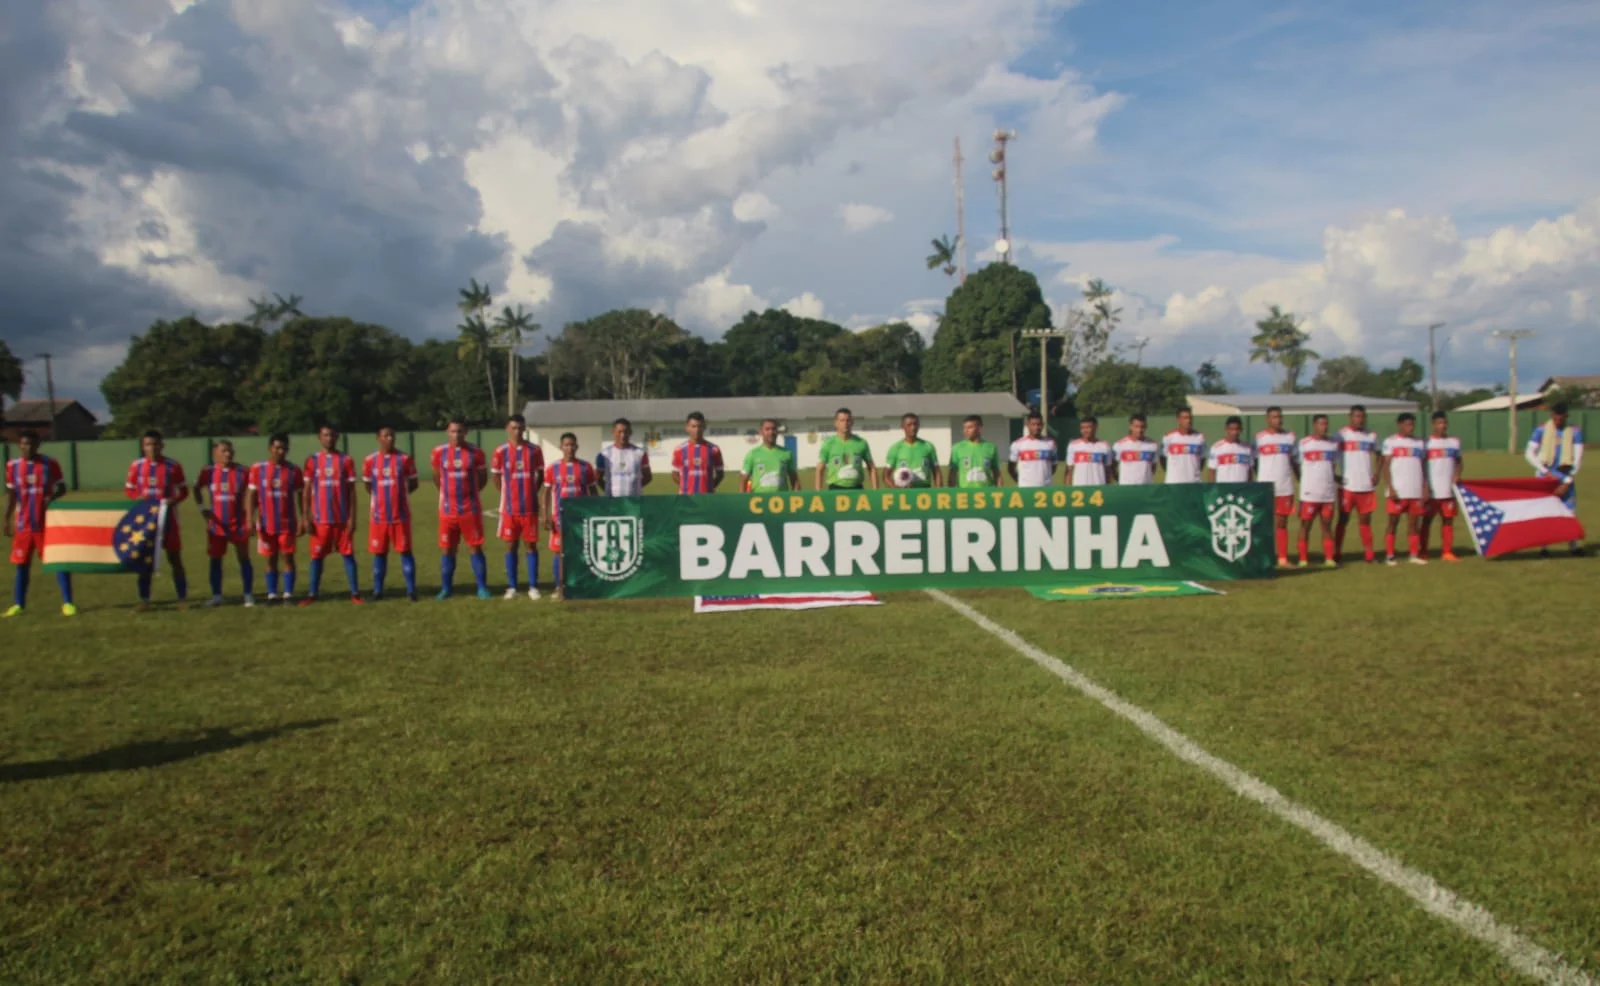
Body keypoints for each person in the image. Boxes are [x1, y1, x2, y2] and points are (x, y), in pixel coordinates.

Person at [4, 430, 73, 617]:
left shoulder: (49, 464)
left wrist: (51, 497)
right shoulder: (12, 466)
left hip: (46, 523)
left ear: (38, 445)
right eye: (25, 443)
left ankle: (68, 603)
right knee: (22, 564)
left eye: (32, 444)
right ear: (19, 445)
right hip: (23, 525)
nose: (28, 447)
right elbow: (11, 494)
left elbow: (62, 487)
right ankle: (19, 604)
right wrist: (6, 518)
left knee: (58, 562)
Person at [125, 429, 189, 608]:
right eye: (147, 444)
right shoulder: (136, 466)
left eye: (155, 444)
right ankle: (144, 600)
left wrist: (172, 500)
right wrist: (136, 497)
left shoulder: (172, 466)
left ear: (162, 445)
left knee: (175, 559)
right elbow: (129, 490)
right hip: (145, 522)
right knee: (145, 561)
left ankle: (182, 599)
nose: (152, 448)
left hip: (168, 520)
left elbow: (184, 491)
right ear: (142, 447)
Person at [301, 424, 363, 605]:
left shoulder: (346, 460)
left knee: (348, 555)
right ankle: (312, 594)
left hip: (342, 519)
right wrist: (305, 517)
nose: (329, 438)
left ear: (337, 438)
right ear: (319, 438)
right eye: (325, 435)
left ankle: (355, 593)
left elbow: (352, 491)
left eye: (332, 435)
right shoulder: (312, 460)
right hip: (320, 520)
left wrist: (352, 517)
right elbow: (306, 491)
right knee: (316, 557)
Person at [432, 418, 492, 599]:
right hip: (447, 511)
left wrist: (469, 495)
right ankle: (446, 588)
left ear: (466, 432)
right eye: (453, 431)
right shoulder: (438, 452)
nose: (456, 435)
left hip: (470, 510)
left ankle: (481, 588)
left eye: (460, 431)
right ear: (447, 432)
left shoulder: (476, 453)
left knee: (475, 548)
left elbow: (482, 478)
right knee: (447, 549)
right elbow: (437, 478)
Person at [194, 439, 254, 607]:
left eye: (230, 451)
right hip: (217, 525)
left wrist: (250, 516)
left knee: (244, 558)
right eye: (224, 451)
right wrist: (203, 509)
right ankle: (217, 595)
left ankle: (248, 595)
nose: (228, 454)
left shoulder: (243, 471)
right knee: (215, 559)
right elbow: (197, 488)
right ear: (215, 454)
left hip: (238, 523)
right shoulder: (208, 472)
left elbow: (252, 493)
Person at [492, 414, 545, 600]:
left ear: (525, 429)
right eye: (514, 428)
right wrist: (507, 495)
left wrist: (532, 492)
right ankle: (512, 587)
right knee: (510, 546)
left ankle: (533, 586)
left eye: (520, 428)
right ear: (507, 428)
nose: (517, 431)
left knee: (531, 545)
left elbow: (540, 475)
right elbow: (496, 477)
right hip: (509, 509)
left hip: (529, 507)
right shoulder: (501, 451)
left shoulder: (534, 450)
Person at [364, 425, 419, 602]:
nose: (389, 439)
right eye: (385, 436)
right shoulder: (370, 461)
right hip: (378, 517)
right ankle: (377, 591)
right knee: (379, 554)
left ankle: (411, 591)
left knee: (406, 552)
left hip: (400, 517)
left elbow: (413, 483)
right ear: (378, 438)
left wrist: (399, 496)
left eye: (392, 436)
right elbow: (367, 485)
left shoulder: (404, 459)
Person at [542, 432, 597, 601]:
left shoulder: (586, 468)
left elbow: (593, 492)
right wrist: (545, 514)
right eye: (566, 445)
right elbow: (545, 493)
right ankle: (559, 586)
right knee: (559, 553)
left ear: (577, 447)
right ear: (561, 447)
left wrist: (594, 512)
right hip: (559, 518)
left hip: (580, 518)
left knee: (581, 552)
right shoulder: (553, 468)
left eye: (572, 444)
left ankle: (580, 585)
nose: (569, 448)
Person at [248, 433, 302, 604]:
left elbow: (300, 496)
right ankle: (272, 594)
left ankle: (288, 594)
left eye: (284, 448)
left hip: (287, 522)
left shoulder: (293, 470)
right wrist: (249, 517)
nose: (281, 451)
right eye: (277, 448)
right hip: (266, 522)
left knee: (288, 557)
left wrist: (303, 518)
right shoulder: (258, 469)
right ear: (270, 448)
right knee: (270, 558)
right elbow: (251, 495)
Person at [1525, 403, 1585, 556]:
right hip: (1545, 478)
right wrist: (1545, 471)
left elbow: (1578, 459)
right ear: (1551, 415)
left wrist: (1567, 481)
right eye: (1555, 415)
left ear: (1566, 416)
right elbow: (1529, 453)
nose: (1558, 419)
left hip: (1565, 476)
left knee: (1569, 511)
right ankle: (1544, 547)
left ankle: (1573, 545)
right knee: (1544, 511)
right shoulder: (1541, 430)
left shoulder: (1575, 432)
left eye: (1561, 416)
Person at [1254, 405, 1300, 567]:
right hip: (1265, 487)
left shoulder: (1290, 437)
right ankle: (1263, 557)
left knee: (1282, 522)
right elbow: (1254, 462)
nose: (1278, 420)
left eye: (1280, 417)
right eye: (1274, 417)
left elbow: (1295, 461)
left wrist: (1299, 478)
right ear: (1267, 419)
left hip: (1284, 486)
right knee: (1263, 523)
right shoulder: (1259, 438)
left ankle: (1282, 558)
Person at [1379, 412, 1428, 565]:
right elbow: (1386, 466)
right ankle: (1390, 555)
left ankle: (1413, 555)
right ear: (1399, 425)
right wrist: (1390, 487)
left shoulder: (1419, 443)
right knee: (1393, 523)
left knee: (1414, 523)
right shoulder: (1390, 442)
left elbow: (1423, 466)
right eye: (1407, 424)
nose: (1410, 427)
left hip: (1415, 490)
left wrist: (1425, 487)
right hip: (1398, 491)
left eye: (1412, 424)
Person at [1335, 404, 1379, 563]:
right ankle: (1337, 553)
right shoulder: (1340, 435)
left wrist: (1377, 473)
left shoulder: (1371, 435)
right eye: (1356, 416)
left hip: (1366, 486)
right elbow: (1330, 457)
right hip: (1347, 486)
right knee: (1343, 520)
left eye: (1362, 416)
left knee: (1365, 521)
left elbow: (1379, 454)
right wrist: (1335, 476)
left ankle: (1369, 555)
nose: (1359, 419)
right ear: (1350, 417)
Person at [1296, 415, 1340, 567]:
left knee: (1327, 525)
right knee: (1305, 525)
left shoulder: (1333, 444)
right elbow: (1297, 465)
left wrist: (1335, 478)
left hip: (1327, 493)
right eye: (1321, 424)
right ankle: (1302, 558)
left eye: (1326, 424)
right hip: (1309, 493)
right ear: (1314, 425)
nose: (1324, 427)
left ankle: (1329, 558)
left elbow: (1332, 466)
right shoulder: (1304, 443)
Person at [1423, 411, 1463, 562]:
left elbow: (1459, 461)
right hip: (1432, 490)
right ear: (1433, 425)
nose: (1442, 426)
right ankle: (1424, 551)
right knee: (1427, 521)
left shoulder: (1454, 442)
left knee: (1448, 520)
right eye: (1439, 423)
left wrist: (1457, 474)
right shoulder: (1426, 442)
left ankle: (1447, 552)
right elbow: (1421, 465)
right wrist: (1425, 485)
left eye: (1444, 423)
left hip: (1448, 490)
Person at [817, 407, 875, 491]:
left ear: (852, 422)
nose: (845, 423)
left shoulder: (861, 443)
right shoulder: (829, 444)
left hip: (857, 489)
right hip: (835, 488)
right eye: (842, 420)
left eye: (848, 420)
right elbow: (819, 469)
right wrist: (818, 492)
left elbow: (871, 467)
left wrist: (875, 490)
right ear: (836, 423)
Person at [882, 413, 941, 488]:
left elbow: (937, 472)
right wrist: (895, 488)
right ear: (902, 427)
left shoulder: (928, 446)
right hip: (904, 494)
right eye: (909, 425)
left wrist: (939, 491)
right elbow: (885, 476)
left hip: (925, 493)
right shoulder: (895, 448)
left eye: (915, 424)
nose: (913, 427)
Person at [595, 417, 651, 496]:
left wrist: (635, 488)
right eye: (619, 432)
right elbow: (598, 478)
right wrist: (609, 490)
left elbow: (648, 477)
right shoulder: (603, 454)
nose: (623, 435)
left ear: (630, 432)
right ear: (613, 432)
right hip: (612, 502)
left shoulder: (640, 453)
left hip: (634, 501)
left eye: (626, 432)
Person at [672, 412, 724, 494]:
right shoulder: (679, 449)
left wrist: (709, 487)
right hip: (687, 499)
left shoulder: (714, 449)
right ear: (687, 428)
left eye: (700, 426)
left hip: (707, 498)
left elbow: (720, 474)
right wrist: (685, 487)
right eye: (693, 426)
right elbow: (675, 474)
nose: (697, 430)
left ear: (704, 427)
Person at [742, 418, 799, 492]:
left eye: (773, 429)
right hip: (758, 500)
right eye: (767, 429)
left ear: (777, 431)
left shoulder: (787, 453)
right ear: (761, 432)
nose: (771, 432)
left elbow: (794, 480)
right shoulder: (752, 454)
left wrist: (797, 497)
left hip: (781, 500)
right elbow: (743, 479)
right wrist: (741, 499)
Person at [946, 415, 1000, 488]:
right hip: (964, 494)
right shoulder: (957, 448)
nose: (966, 431)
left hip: (986, 493)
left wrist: (1000, 491)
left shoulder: (991, 447)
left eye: (970, 427)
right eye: (964, 428)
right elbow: (952, 474)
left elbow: (997, 474)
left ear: (979, 429)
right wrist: (951, 493)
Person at [1007, 411, 1057, 487]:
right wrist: (1020, 481)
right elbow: (1011, 468)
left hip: (1046, 489)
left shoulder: (1050, 443)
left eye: (1039, 424)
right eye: (1033, 424)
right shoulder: (1018, 444)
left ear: (1042, 425)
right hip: (1026, 489)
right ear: (1028, 425)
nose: (1036, 427)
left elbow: (1054, 466)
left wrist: (1046, 478)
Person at [1161, 407, 1206, 483]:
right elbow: (1162, 459)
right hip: (1174, 483)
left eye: (1190, 418)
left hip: (1194, 483)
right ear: (1178, 420)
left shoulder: (1200, 437)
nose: (1188, 421)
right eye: (1185, 418)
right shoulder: (1168, 437)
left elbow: (1202, 459)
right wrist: (1173, 474)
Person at [1113, 413, 1160, 486]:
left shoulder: (1153, 445)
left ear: (1146, 427)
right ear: (1130, 426)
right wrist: (1121, 480)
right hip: (1127, 487)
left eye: (1142, 427)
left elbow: (1153, 468)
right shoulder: (1120, 445)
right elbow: (1113, 467)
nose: (1139, 430)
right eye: (1136, 427)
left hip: (1146, 487)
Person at [1066, 416, 1112, 486]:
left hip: (1099, 488)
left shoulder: (1104, 446)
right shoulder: (1073, 445)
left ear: (1096, 427)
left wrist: (1108, 488)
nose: (1085, 430)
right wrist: (1068, 489)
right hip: (1080, 489)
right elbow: (1069, 471)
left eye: (1088, 427)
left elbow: (1108, 470)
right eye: (1082, 428)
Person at [1207, 417, 1253, 483]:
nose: (1234, 432)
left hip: (1242, 488)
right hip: (1224, 488)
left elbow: (1250, 471)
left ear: (1241, 430)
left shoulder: (1247, 448)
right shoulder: (1216, 447)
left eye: (1237, 429)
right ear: (1226, 430)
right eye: (1231, 429)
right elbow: (1211, 471)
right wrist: (1212, 489)